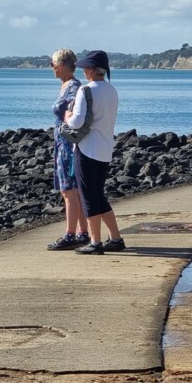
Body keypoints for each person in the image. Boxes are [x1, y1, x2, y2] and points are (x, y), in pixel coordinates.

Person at [64, 50, 126, 255]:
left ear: (91, 70)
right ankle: (116, 238)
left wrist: (67, 117)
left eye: (84, 68)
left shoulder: (86, 90)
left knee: (88, 196)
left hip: (87, 148)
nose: (83, 71)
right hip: (105, 148)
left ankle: (95, 242)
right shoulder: (112, 90)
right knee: (99, 195)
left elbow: (78, 121)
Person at [46, 48, 90, 250]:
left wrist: (68, 118)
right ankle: (82, 232)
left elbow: (76, 112)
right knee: (71, 190)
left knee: (69, 190)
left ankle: (71, 234)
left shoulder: (73, 87)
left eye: (53, 63)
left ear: (62, 65)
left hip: (68, 143)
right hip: (62, 142)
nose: (51, 67)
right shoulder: (66, 85)